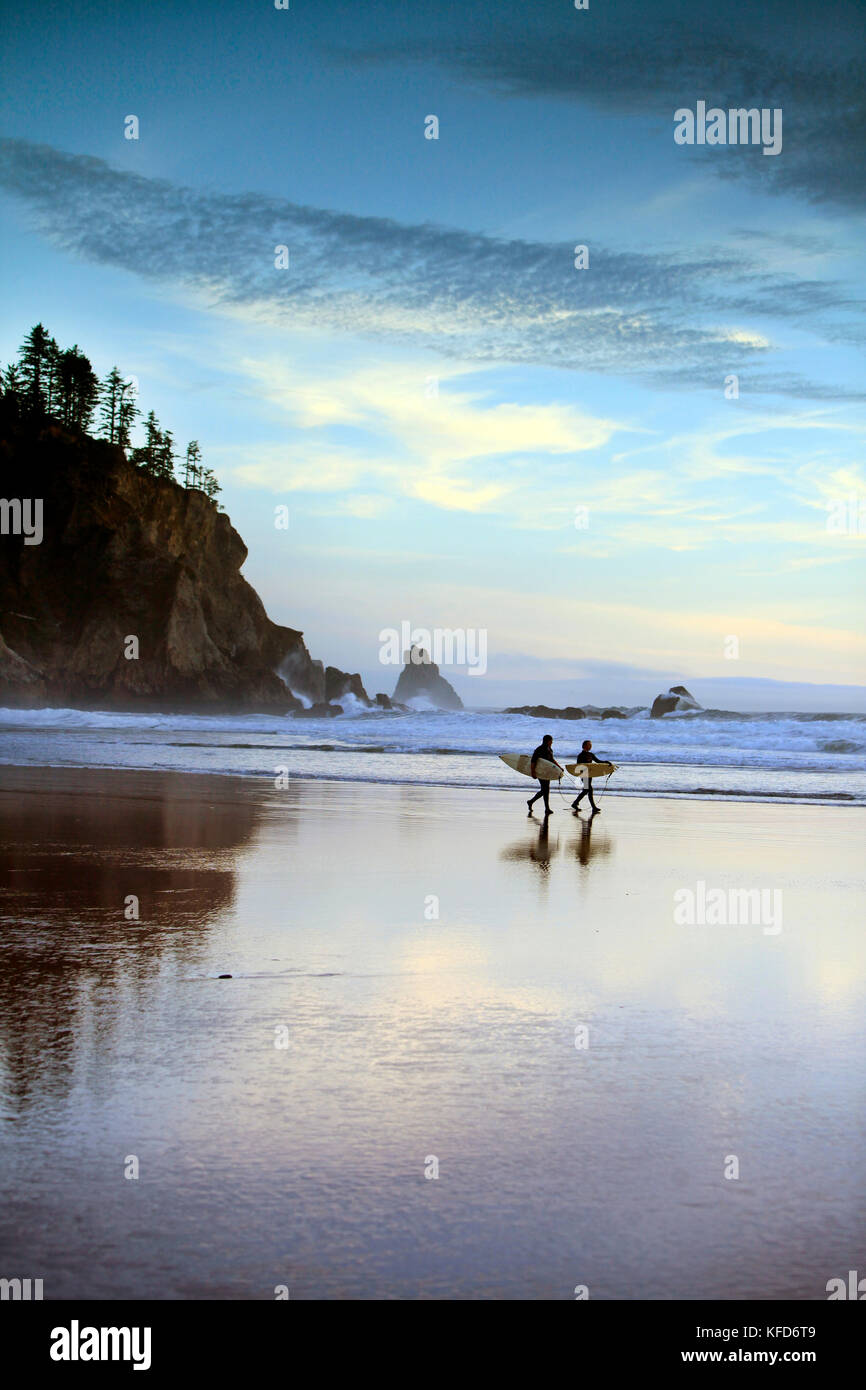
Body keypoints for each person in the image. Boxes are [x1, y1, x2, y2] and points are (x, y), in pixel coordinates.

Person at [527, 734, 563, 816]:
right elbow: (533, 761)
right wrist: (533, 772)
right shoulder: (539, 749)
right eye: (551, 741)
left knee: (545, 790)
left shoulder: (549, 749)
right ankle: (546, 808)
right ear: (548, 741)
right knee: (545, 789)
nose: (552, 742)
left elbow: (551, 760)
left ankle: (531, 802)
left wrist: (559, 767)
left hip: (547, 771)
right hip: (540, 771)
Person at [571, 739, 604, 815]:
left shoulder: (591, 754)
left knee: (586, 790)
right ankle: (593, 807)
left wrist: (606, 763)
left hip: (590, 775)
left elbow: (598, 761)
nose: (590, 746)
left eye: (591, 745)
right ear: (584, 746)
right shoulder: (580, 755)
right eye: (589, 745)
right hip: (584, 775)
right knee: (589, 789)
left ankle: (575, 803)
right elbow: (578, 766)